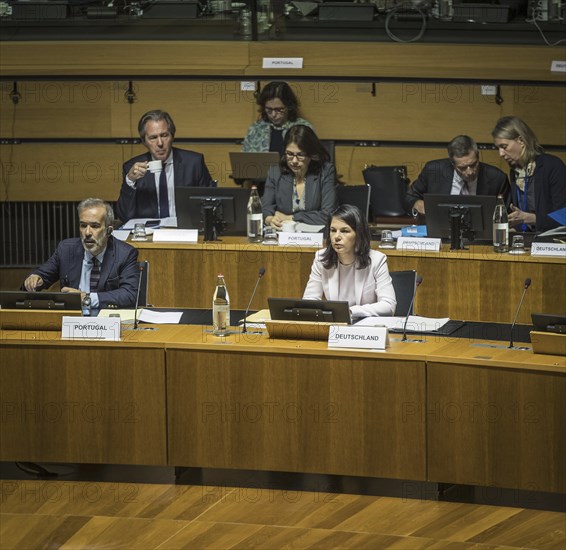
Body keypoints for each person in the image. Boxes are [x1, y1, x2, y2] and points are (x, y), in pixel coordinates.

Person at [24, 198, 140, 309]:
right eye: (83, 225)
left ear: (108, 230)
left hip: (107, 321)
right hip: (72, 320)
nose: (87, 232)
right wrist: (36, 278)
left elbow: (129, 294)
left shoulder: (125, 253)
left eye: (95, 226)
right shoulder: (66, 249)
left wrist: (86, 298)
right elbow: (43, 274)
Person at [117, 110, 215, 222]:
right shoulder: (132, 167)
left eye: (164, 135)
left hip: (185, 230)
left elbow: (210, 204)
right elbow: (124, 216)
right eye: (153, 138)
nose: (160, 143)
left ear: (172, 136)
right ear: (144, 141)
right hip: (149, 233)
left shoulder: (193, 163)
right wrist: (130, 181)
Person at [303, 204, 397, 320]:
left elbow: (389, 305)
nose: (336, 237)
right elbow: (309, 300)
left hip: (366, 328)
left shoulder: (377, 260)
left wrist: (350, 311)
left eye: (345, 231)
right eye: (333, 230)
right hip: (334, 327)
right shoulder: (321, 258)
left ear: (359, 234)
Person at [492, 116, 566, 232]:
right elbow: (522, 214)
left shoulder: (552, 166)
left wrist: (531, 219)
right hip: (526, 240)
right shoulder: (515, 172)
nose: (501, 153)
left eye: (504, 147)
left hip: (552, 242)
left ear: (521, 141)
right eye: (498, 148)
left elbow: (563, 217)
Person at [406, 135, 509, 217]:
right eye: (462, 168)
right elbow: (409, 197)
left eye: (473, 165)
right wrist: (417, 204)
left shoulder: (497, 178)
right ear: (452, 164)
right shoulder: (433, 170)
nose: (470, 172)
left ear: (478, 157)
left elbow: (507, 214)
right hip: (440, 234)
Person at [262, 125, 338, 228]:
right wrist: (270, 219)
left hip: (316, 237)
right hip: (283, 235)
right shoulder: (275, 172)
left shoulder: (326, 171)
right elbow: (264, 208)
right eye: (289, 154)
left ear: (312, 154)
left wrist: (291, 217)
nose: (294, 161)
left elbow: (328, 215)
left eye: (300, 155)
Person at [242, 81, 313, 154]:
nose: (273, 114)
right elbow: (245, 159)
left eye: (279, 110)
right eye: (269, 109)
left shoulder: (304, 129)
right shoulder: (256, 129)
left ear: (289, 106)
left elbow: (314, 160)